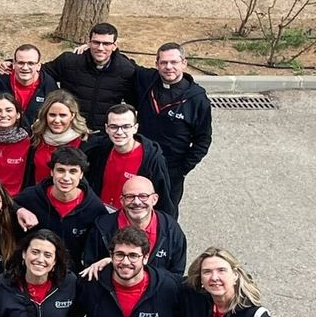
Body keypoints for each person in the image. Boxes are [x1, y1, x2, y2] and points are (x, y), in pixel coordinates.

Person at [133, 43, 212, 214]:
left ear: (184, 63)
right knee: (135, 210)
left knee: (165, 217)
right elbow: (122, 63)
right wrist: (90, 47)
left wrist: (182, 169)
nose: (168, 67)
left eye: (174, 62)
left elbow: (203, 139)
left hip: (171, 170)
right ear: (157, 64)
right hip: (140, 162)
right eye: (163, 62)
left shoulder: (197, 99)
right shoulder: (147, 80)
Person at [14, 145, 108, 267]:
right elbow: (5, 205)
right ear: (52, 172)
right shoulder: (31, 197)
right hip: (33, 267)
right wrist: (18, 209)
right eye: (61, 170)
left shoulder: (95, 208)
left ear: (81, 174)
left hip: (71, 273)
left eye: (73, 171)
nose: (66, 178)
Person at [0, 230, 78, 317]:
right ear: (24, 254)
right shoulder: (3, 284)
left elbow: (80, 309)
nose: (40, 259)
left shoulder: (68, 283)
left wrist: (105, 262)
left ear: (55, 261)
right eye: (35, 252)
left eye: (48, 255)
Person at [82, 175, 187, 272]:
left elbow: (176, 274)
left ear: (154, 199)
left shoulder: (171, 229)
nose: (137, 202)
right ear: (122, 201)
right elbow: (90, 269)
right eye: (130, 196)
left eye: (143, 196)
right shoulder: (101, 228)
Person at [43, 23, 138, 131]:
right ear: (89, 43)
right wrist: (54, 98)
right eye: (96, 42)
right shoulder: (69, 62)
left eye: (106, 44)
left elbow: (135, 101)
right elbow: (40, 75)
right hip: (71, 130)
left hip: (104, 134)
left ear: (114, 45)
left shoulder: (126, 70)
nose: (100, 48)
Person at [84, 104, 172, 214]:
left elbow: (164, 201)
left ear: (135, 128)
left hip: (131, 218)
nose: (119, 132)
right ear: (107, 128)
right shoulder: (98, 151)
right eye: (113, 127)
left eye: (126, 127)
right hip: (100, 215)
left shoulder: (152, 160)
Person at [0, 43, 56, 128]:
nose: (25, 68)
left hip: (34, 135)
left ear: (38, 66)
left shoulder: (48, 85)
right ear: (13, 63)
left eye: (31, 63)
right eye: (21, 63)